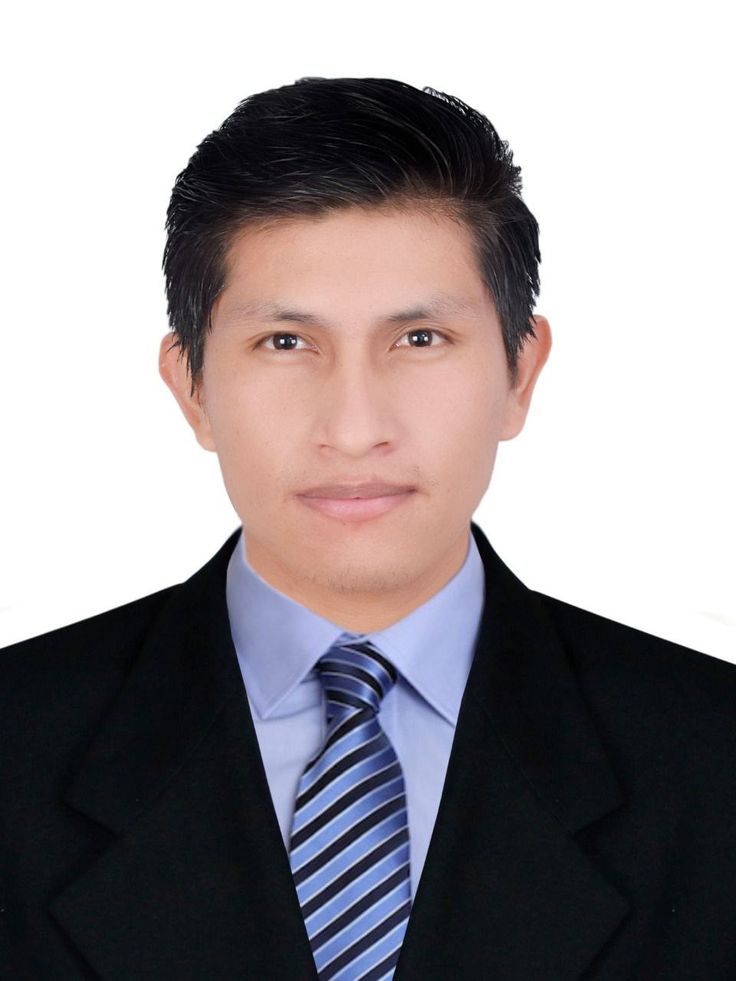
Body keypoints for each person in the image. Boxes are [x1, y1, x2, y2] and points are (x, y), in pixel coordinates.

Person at [1, 76, 734, 981]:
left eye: (419, 339)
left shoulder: (714, 757)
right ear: (191, 386)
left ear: (519, 372)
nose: (354, 430)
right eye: (285, 343)